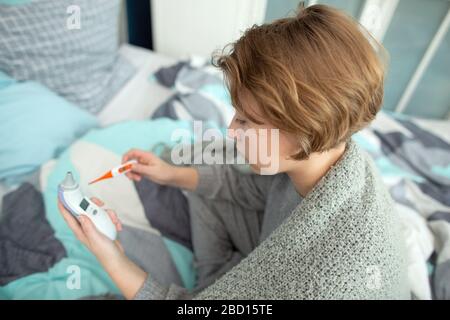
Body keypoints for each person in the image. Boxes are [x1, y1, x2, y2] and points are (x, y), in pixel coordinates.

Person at [57, 4, 410, 299]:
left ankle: (214, 281)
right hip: (271, 245)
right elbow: (252, 191)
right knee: (201, 166)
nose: (231, 130)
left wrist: (113, 259)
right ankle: (217, 277)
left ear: (306, 129)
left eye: (246, 121)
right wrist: (171, 174)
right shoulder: (328, 156)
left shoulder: (319, 282)